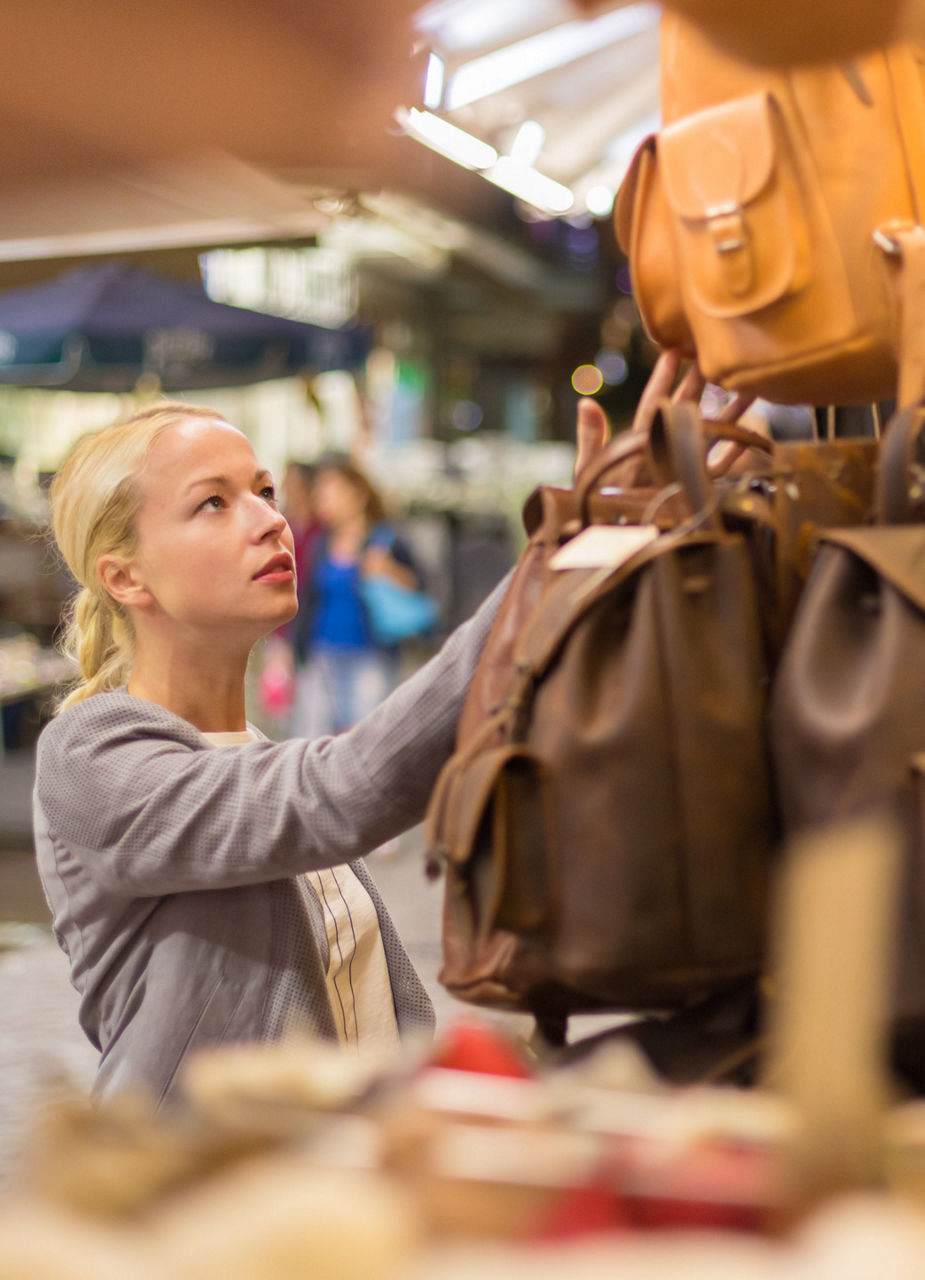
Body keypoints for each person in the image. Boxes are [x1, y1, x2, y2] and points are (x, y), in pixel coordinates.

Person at [33, 397, 608, 1107]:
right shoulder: (90, 755)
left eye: (265, 491)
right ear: (126, 577)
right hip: (196, 1195)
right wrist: (556, 558)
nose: (271, 520)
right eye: (213, 503)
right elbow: (341, 792)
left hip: (335, 1190)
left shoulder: (258, 753)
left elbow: (363, 1022)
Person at [288, 456, 424, 739]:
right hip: (321, 654)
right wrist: (291, 647)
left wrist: (388, 570)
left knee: (364, 738)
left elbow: (422, 589)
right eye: (321, 492)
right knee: (312, 737)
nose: (323, 499)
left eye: (332, 491)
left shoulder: (386, 540)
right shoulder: (322, 541)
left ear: (358, 495)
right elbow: (309, 598)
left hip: (369, 655)